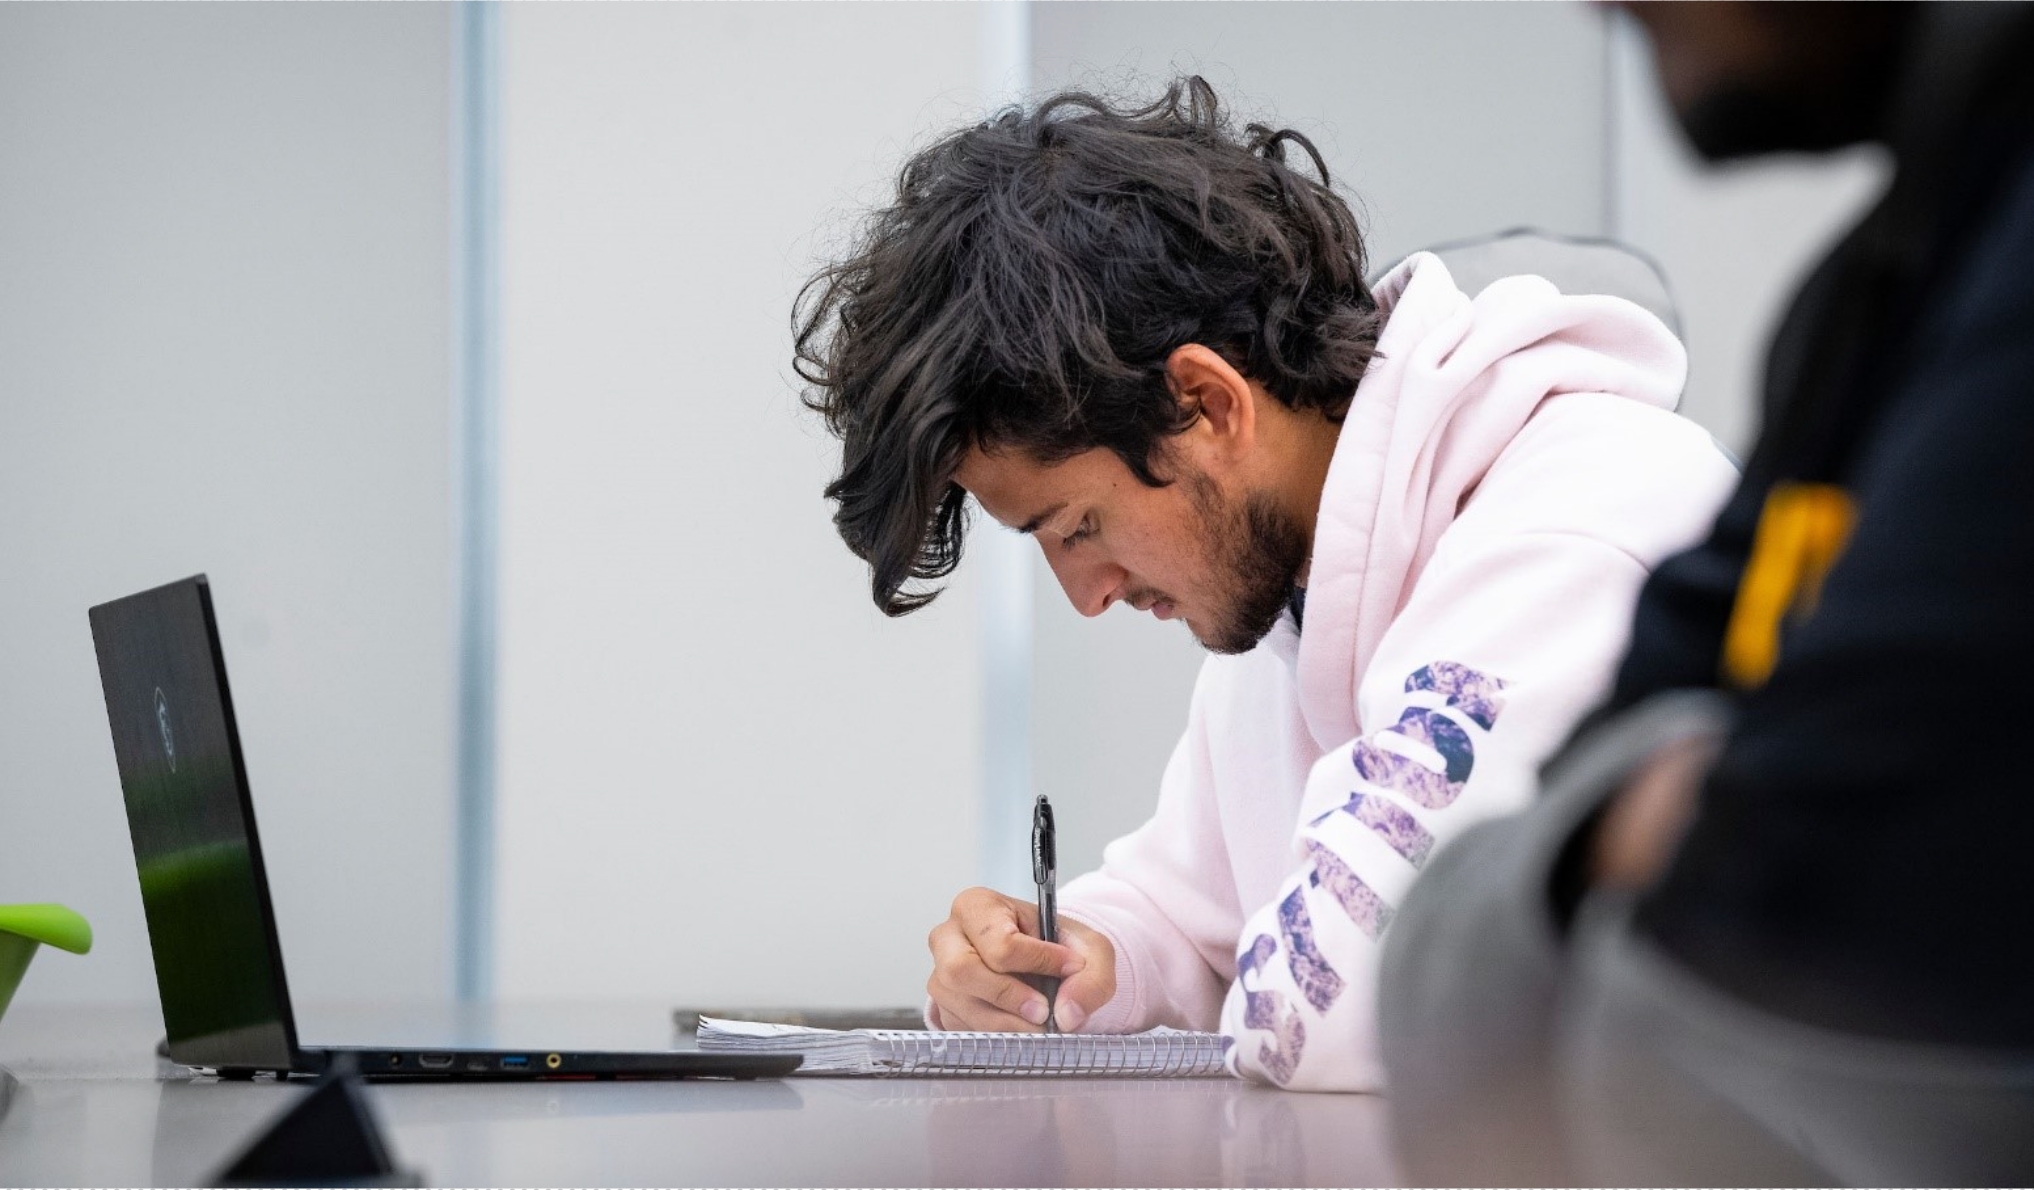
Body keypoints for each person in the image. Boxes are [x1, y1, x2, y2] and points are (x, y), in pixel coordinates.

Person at [794, 78, 1736, 1090]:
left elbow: (1349, 1004)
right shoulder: (1299, 578)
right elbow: (1188, 909)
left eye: (1076, 527)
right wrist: (1065, 966)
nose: (1088, 594)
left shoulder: (1573, 523)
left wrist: (1248, 970)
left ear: (1207, 402)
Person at [1378, 2, 2034, 1180]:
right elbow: (1452, 979)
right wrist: (1613, 837)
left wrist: (1633, 836)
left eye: (1074, 526)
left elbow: (1798, 903)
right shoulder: (1870, 302)